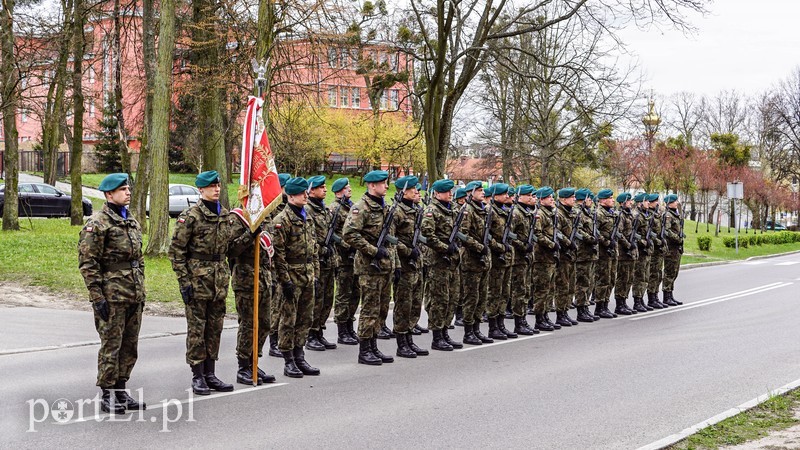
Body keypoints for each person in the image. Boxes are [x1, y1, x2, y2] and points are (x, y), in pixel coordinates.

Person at [78, 173, 146, 414]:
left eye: (128, 188)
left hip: (133, 294)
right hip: (112, 296)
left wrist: (141, 289)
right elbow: (88, 263)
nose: (128, 192)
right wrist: (97, 297)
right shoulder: (97, 224)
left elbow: (139, 259)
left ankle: (121, 389)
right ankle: (107, 393)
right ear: (109, 194)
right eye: (123, 189)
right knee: (111, 345)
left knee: (130, 344)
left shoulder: (131, 221)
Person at [169, 170, 237, 395]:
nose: (217, 189)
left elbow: (230, 248)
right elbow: (176, 251)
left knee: (215, 328)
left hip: (218, 282)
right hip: (197, 282)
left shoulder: (225, 215)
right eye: (212, 186)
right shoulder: (191, 217)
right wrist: (184, 282)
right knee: (197, 329)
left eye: (218, 185)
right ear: (201, 190)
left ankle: (210, 373)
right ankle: (197, 375)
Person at [343, 170, 399, 365]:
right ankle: (364, 349)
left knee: (382, 309)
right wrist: (373, 251)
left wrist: (395, 263)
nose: (386, 186)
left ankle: (374, 346)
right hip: (369, 268)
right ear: (372, 185)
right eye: (382, 183)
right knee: (369, 309)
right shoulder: (361, 208)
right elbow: (349, 234)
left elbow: (392, 241)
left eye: (386, 183)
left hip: (385, 267)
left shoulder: (385, 208)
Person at [270, 177, 321, 377]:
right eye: (301, 193)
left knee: (305, 318)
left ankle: (300, 356)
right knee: (288, 320)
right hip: (291, 275)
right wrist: (286, 281)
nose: (305, 196)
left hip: (307, 274)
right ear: (290, 196)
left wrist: (315, 272)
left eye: (305, 192)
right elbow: (278, 255)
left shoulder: (307, 216)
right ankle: (288, 360)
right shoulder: (281, 221)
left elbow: (314, 247)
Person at [228, 208, 277, 385]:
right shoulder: (238, 217)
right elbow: (231, 249)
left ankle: (254, 361)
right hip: (246, 278)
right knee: (249, 324)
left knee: (265, 323)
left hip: (264, 277)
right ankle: (243, 367)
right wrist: (250, 234)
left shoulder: (266, 215)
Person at [420, 179, 463, 350]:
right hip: (438, 261)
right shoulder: (432, 211)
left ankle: (445, 331)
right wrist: (446, 248)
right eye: (446, 192)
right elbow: (428, 236)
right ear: (437, 193)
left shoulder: (452, 209)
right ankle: (437, 336)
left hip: (452, 261)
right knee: (439, 299)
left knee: (452, 298)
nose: (450, 194)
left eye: (451, 191)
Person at [391, 175, 429, 357]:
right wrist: (407, 251)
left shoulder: (416, 210)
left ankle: (409, 338)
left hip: (417, 264)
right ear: (404, 190)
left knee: (415, 304)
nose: (417, 191)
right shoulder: (396, 212)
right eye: (413, 188)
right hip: (404, 265)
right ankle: (401, 342)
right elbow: (391, 240)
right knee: (403, 305)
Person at [305, 175, 339, 351]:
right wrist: (321, 250)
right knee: (316, 300)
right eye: (321, 187)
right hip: (317, 262)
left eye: (325, 187)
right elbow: (308, 239)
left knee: (327, 299)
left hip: (328, 261)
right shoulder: (308, 210)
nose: (325, 190)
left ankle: (320, 332)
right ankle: (311, 334)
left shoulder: (324, 210)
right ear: (311, 190)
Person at [458, 181, 494, 345]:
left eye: (482, 190)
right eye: (479, 190)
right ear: (470, 193)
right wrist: (479, 247)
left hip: (484, 260)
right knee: (471, 297)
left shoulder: (484, 210)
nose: (482, 193)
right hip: (471, 260)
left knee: (481, 297)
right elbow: (463, 236)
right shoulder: (467, 211)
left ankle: (477, 329)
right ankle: (468, 332)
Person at [329, 177, 361, 345]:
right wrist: (345, 244)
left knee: (355, 293)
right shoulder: (334, 208)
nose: (349, 189)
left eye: (349, 186)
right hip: (342, 258)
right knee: (343, 294)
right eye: (346, 187)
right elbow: (330, 234)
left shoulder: (351, 206)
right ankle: (342, 330)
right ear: (338, 191)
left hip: (354, 257)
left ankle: (350, 326)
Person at [267, 172, 293, 358]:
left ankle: (282, 340)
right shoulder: (273, 210)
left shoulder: (288, 208)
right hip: (275, 266)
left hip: (287, 265)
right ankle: (273, 341)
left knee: (284, 306)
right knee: (276, 305)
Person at [509, 185, 538, 334]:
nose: (532, 198)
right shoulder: (516, 213)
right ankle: (518, 322)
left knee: (526, 290)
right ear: (520, 197)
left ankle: (523, 319)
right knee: (519, 291)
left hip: (527, 258)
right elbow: (510, 235)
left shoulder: (528, 213)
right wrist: (522, 246)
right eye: (529, 195)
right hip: (518, 258)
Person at [532, 187, 561, 331]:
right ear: (541, 199)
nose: (552, 199)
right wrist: (552, 245)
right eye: (549, 197)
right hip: (541, 258)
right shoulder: (539, 214)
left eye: (552, 197)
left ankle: (545, 316)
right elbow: (537, 235)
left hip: (550, 257)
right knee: (541, 290)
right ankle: (539, 318)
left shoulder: (551, 213)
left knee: (550, 289)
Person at [554, 187, 579, 327]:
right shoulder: (559, 214)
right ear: (563, 199)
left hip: (571, 255)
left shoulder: (572, 213)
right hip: (563, 255)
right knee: (562, 286)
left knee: (569, 286)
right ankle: (560, 314)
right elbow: (556, 232)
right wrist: (568, 243)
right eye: (571, 197)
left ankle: (565, 311)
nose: (574, 199)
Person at [592, 189, 619, 319]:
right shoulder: (598, 214)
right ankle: (599, 306)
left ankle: (605, 305)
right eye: (610, 198)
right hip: (603, 252)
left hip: (612, 252)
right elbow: (595, 232)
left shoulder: (612, 213)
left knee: (611, 279)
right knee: (602, 279)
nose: (612, 200)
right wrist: (606, 242)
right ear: (602, 200)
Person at [613, 192, 638, 315]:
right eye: (629, 201)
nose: (631, 203)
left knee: (629, 279)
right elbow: (619, 233)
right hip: (623, 252)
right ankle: (619, 304)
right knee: (622, 278)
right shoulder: (621, 215)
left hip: (631, 253)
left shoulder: (630, 215)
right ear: (622, 203)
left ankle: (624, 301)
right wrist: (628, 245)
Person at [631, 193, 653, 312]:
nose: (648, 203)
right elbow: (633, 234)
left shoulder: (646, 215)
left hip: (647, 251)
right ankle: (637, 301)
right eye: (646, 201)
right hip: (640, 251)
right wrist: (644, 242)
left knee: (645, 276)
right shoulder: (636, 216)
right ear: (640, 202)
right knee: (639, 276)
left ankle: (641, 299)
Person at [646, 193, 668, 309]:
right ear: (650, 203)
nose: (657, 203)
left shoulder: (657, 215)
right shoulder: (649, 216)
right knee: (653, 274)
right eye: (655, 202)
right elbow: (649, 233)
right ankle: (651, 298)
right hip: (653, 249)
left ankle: (655, 296)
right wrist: (657, 241)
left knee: (658, 274)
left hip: (659, 250)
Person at [661, 194, 684, 306]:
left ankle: (670, 294)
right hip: (670, 248)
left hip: (676, 248)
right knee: (669, 272)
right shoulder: (668, 215)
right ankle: (666, 296)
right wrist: (677, 238)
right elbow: (667, 231)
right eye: (675, 201)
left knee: (674, 272)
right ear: (669, 203)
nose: (677, 203)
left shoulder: (676, 214)